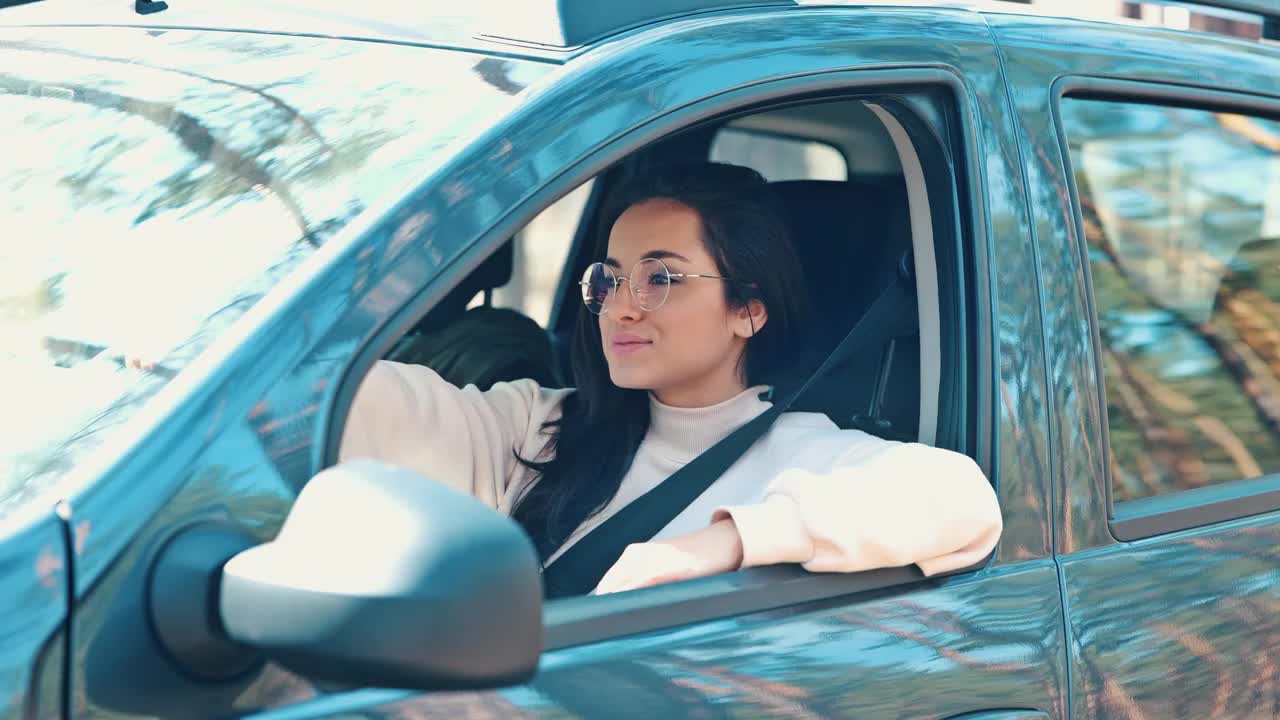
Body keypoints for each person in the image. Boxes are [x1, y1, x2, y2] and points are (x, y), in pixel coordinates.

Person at [340, 162, 1001, 596]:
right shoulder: (541, 426)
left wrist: (709, 548)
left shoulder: (799, 456)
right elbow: (368, 406)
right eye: (611, 278)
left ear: (748, 308)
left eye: (660, 278)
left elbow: (964, 501)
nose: (621, 305)